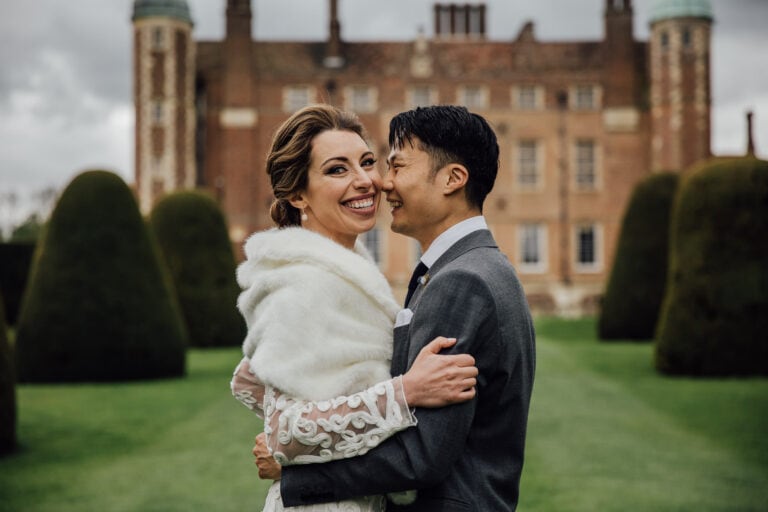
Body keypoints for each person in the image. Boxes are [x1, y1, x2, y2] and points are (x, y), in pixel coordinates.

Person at [256, 105, 537, 511]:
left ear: (453, 179)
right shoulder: (472, 268)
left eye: (394, 166)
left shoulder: (462, 281)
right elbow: (265, 393)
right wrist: (400, 392)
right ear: (299, 195)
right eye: (339, 169)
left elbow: (421, 454)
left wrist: (297, 474)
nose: (381, 183)